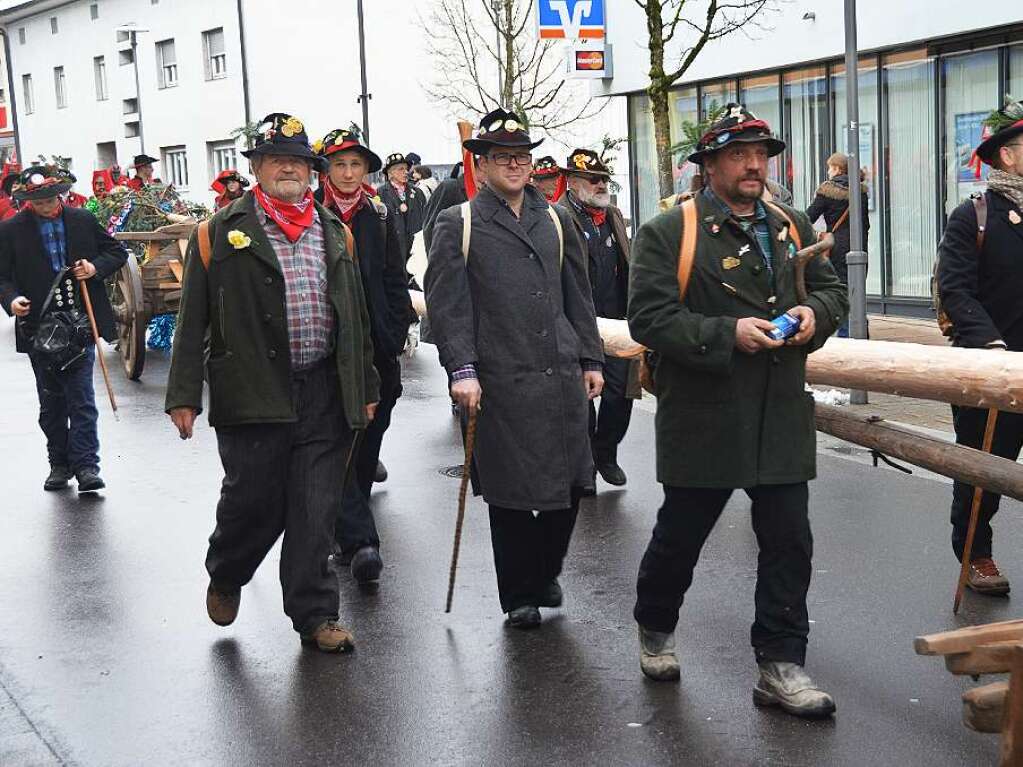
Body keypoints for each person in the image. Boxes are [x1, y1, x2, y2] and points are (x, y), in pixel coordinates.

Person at [628, 103, 847, 718]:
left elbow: (831, 290)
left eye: (761, 155)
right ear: (710, 165)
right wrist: (730, 334)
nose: (754, 165)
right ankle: (655, 627)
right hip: (705, 415)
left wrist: (815, 316)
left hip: (779, 415)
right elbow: (649, 318)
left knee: (788, 541)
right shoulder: (670, 231)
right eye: (738, 155)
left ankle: (780, 665)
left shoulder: (791, 223)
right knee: (681, 537)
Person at [165, 112, 380, 653]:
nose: (288, 168)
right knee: (252, 501)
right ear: (257, 167)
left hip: (324, 391)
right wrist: (184, 394)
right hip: (252, 391)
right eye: (276, 159)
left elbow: (355, 318)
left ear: (312, 171)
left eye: (298, 161)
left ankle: (315, 614)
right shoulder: (219, 232)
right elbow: (193, 320)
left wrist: (367, 385)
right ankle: (227, 569)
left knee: (315, 508)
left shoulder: (335, 231)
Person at [425, 108, 604, 629]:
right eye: (502, 157)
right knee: (508, 495)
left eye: (521, 156)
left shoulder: (555, 217)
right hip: (498, 381)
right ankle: (518, 595)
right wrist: (461, 369)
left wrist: (591, 356)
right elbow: (448, 305)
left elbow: (579, 295)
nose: (515, 165)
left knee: (570, 487)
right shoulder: (456, 223)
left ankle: (546, 567)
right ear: (480, 166)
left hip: (561, 372)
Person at [315, 125, 413, 584]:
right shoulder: (310, 214)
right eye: (340, 165)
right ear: (326, 171)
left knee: (374, 424)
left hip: (377, 343)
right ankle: (359, 541)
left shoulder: (379, 213)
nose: (349, 173)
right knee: (338, 437)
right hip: (328, 345)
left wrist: (396, 331)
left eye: (356, 164)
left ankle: (343, 515)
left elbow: (394, 276)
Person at [936, 99, 1023, 596]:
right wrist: (992, 349)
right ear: (1006, 157)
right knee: (982, 473)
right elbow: (957, 289)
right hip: (991, 368)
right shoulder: (974, 216)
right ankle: (976, 554)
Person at [0, 164, 128, 492]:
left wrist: (94, 267)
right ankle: (59, 464)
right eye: (37, 201)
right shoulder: (11, 229)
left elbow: (117, 252)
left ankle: (87, 466)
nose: (45, 205)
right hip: (37, 326)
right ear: (27, 200)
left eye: (50, 198)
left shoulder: (82, 220)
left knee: (81, 397)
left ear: (60, 194)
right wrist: (12, 300)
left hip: (79, 321)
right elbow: (2, 276)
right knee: (51, 400)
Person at [559, 149, 637, 489]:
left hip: (617, 322)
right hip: (579, 323)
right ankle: (586, 463)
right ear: (574, 183)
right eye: (594, 179)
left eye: (604, 178)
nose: (601, 184)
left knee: (621, 394)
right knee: (583, 396)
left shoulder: (614, 215)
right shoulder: (557, 216)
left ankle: (606, 453)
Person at [806, 153, 870, 330]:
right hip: (859, 246)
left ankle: (845, 334)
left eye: (830, 167)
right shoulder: (861, 191)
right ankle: (861, 331)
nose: (828, 171)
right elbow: (866, 224)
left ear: (837, 169)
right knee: (857, 292)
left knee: (840, 292)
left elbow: (808, 217)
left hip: (836, 248)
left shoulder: (827, 190)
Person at [378, 153, 426, 260]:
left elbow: (424, 218)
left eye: (406, 169)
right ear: (390, 173)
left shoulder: (418, 192)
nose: (405, 172)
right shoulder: (380, 193)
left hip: (415, 249)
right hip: (392, 250)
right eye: (401, 169)